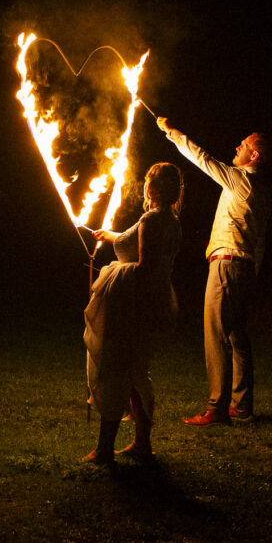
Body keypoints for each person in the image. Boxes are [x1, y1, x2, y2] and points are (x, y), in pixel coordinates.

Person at [157, 118, 270, 426]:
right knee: (236, 335)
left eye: (243, 146)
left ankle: (216, 407)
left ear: (254, 156)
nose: (237, 147)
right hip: (243, 268)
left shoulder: (241, 180)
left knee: (216, 334)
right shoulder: (262, 192)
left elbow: (203, 160)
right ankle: (241, 406)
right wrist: (252, 273)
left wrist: (173, 133)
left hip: (227, 265)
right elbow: (260, 241)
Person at [81, 162, 184, 465]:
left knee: (116, 370)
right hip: (154, 302)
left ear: (153, 187)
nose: (145, 185)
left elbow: (145, 266)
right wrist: (109, 236)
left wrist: (117, 277)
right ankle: (142, 444)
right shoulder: (172, 221)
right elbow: (136, 241)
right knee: (137, 371)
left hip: (135, 305)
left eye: (148, 180)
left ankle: (104, 449)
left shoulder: (151, 219)